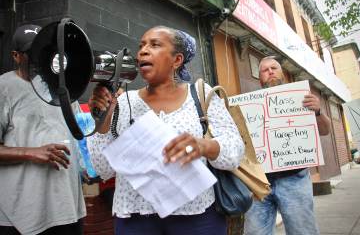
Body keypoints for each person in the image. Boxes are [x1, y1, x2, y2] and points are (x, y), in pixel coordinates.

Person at [87, 26, 244, 235]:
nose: (143, 51)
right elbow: (102, 169)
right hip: (136, 220)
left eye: (155, 45)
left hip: (197, 217)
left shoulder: (200, 94)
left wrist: (203, 146)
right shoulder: (123, 102)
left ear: (176, 60)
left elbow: (235, 151)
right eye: (141, 45)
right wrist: (103, 119)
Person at [0, 25, 86, 235]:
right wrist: (31, 153)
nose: (41, 57)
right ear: (16, 56)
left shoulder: (62, 86)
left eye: (46, 51)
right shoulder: (4, 87)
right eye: (33, 53)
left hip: (69, 209)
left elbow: (80, 134)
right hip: (21, 215)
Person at [244, 56, 331, 235]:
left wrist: (318, 111)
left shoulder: (302, 98)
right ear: (259, 78)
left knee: (303, 232)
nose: (270, 72)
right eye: (265, 70)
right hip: (260, 184)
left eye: (274, 68)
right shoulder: (248, 105)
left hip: (295, 180)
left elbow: (325, 130)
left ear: (282, 72)